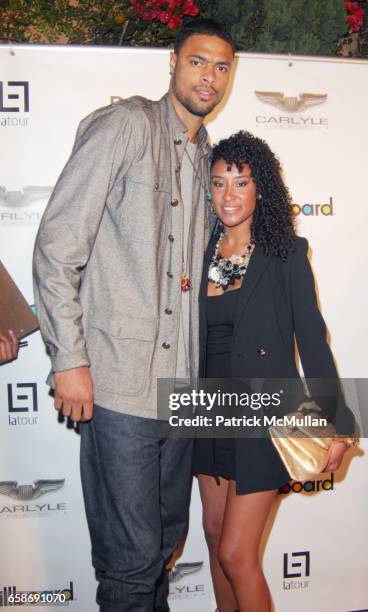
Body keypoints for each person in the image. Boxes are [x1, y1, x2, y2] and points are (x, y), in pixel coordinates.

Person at [32, 18, 235, 612]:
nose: (210, 77)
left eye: (222, 67)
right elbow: (57, 244)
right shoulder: (126, 126)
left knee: (164, 547)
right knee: (129, 562)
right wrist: (69, 359)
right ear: (172, 62)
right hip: (120, 384)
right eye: (199, 62)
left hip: (181, 392)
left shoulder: (208, 160)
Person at [193, 131, 356, 612]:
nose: (228, 195)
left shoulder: (285, 253)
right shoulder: (199, 254)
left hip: (267, 412)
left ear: (260, 188)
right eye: (219, 183)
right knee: (213, 537)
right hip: (205, 407)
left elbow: (313, 342)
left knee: (237, 554)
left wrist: (338, 421)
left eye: (240, 182)